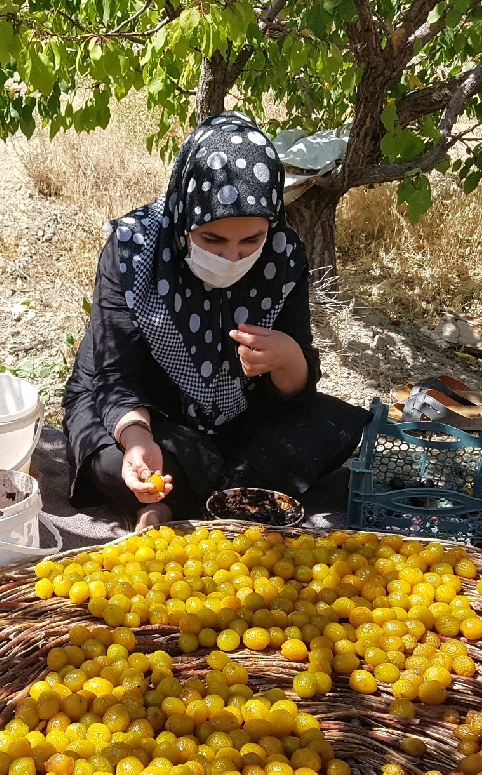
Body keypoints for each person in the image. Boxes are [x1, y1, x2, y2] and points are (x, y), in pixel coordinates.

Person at [63, 112, 370, 529]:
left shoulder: (283, 257)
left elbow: (297, 391)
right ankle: (203, 493)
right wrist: (137, 439)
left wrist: (286, 358)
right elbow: (115, 375)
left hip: (238, 414)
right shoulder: (134, 251)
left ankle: (188, 495)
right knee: (109, 461)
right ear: (185, 217)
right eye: (212, 240)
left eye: (250, 241)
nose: (231, 258)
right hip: (147, 412)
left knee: (331, 427)